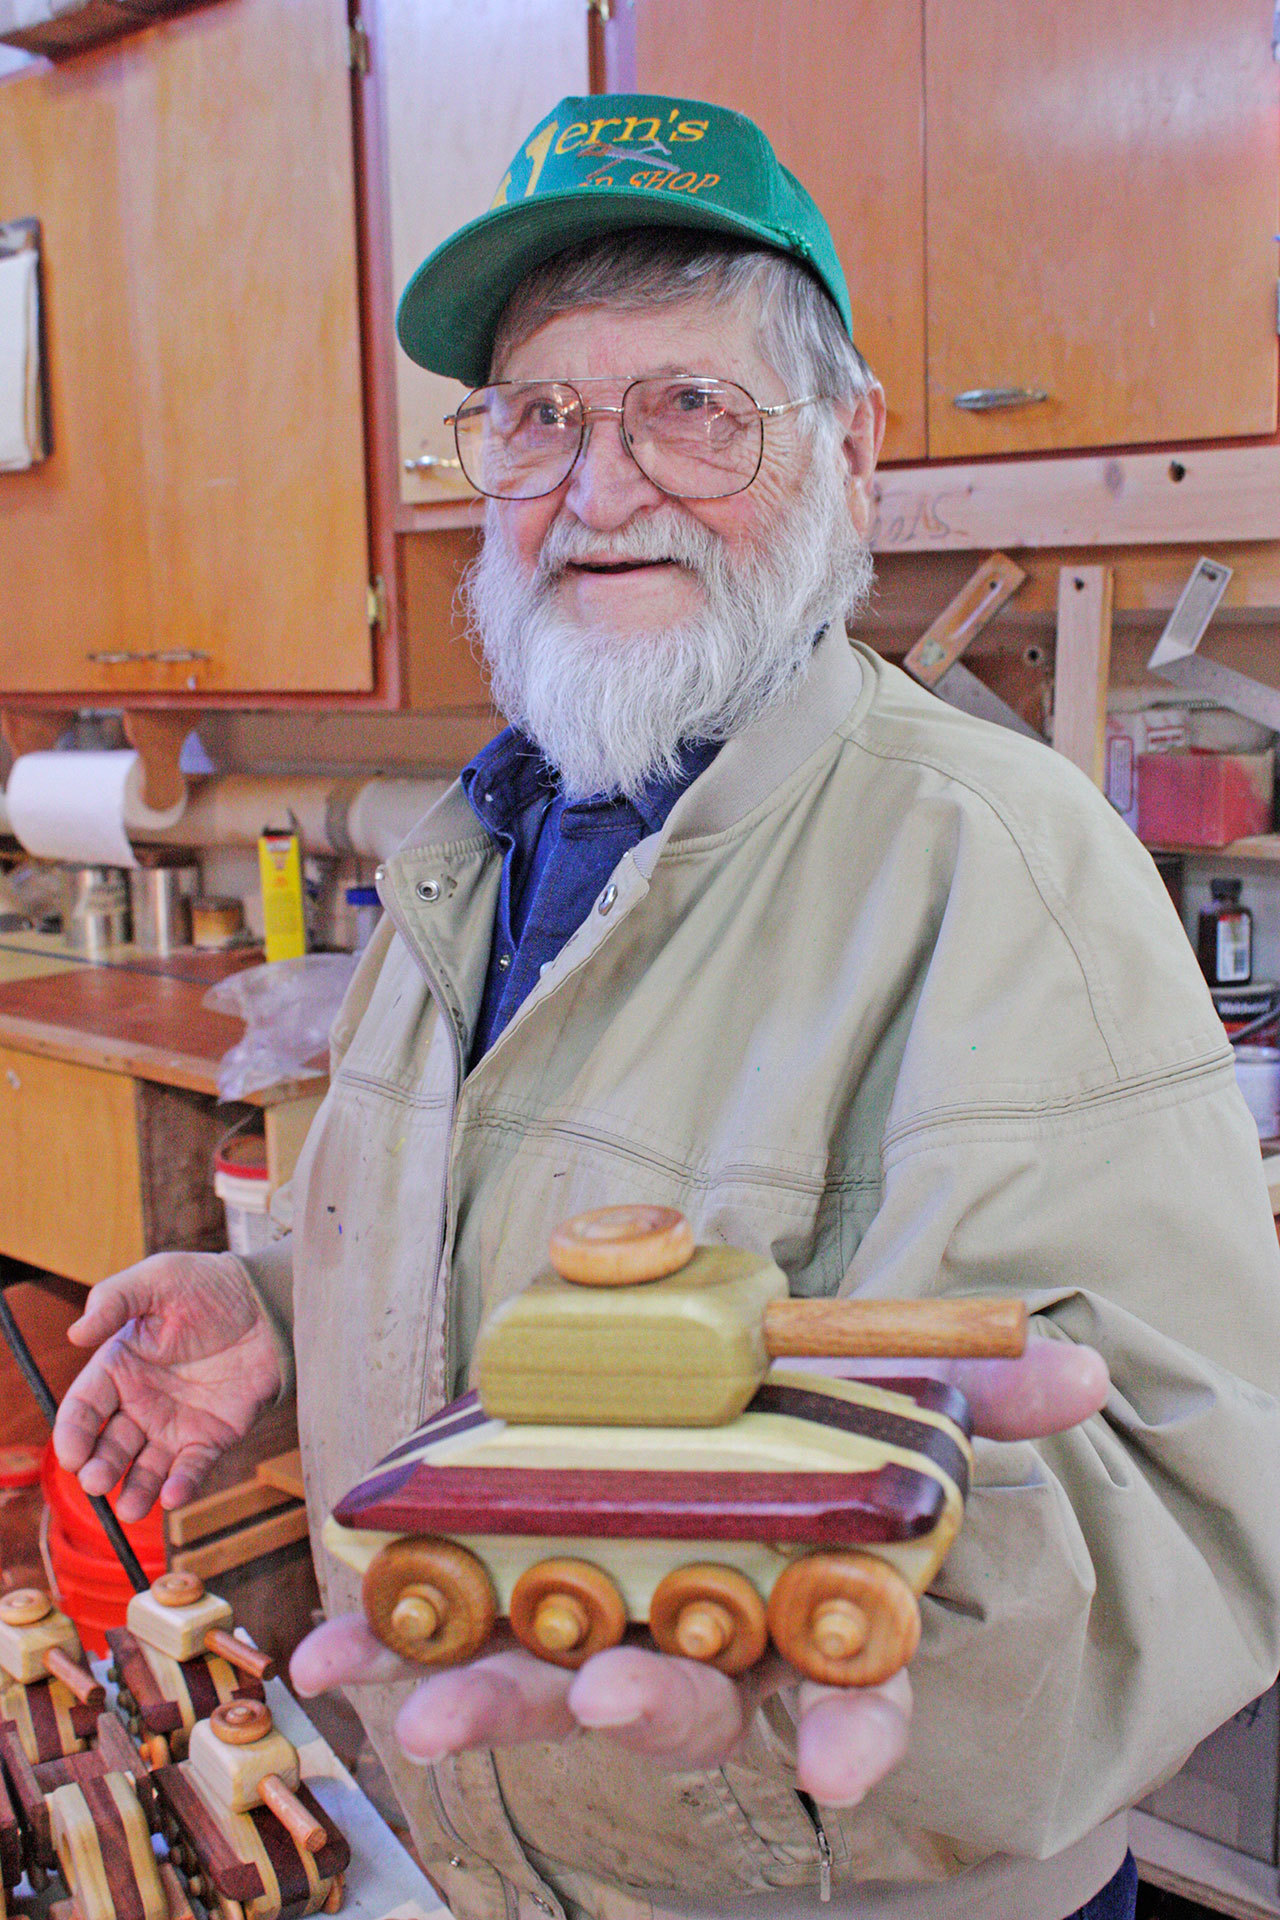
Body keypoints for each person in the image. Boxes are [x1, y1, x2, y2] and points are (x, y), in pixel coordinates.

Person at [54, 94, 1280, 1920]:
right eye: (542, 414)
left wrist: (840, 1604)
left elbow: (1194, 1520)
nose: (598, 481)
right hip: (496, 1855)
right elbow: (530, 1265)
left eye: (691, 407)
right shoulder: (483, 835)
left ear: (851, 452)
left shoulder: (999, 861)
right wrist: (289, 1309)